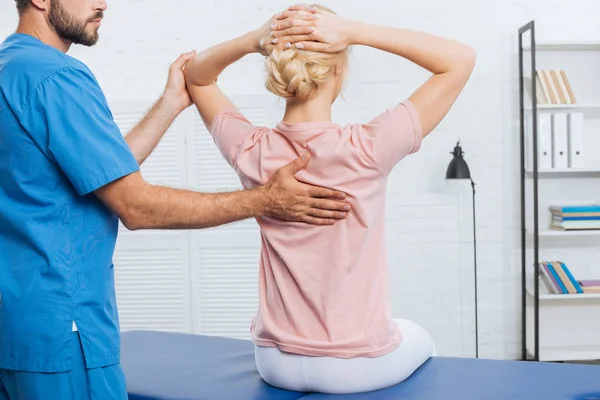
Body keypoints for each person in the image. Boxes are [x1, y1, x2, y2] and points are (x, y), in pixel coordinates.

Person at [0, 1, 351, 399]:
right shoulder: (57, 78)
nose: (102, 3)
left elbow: (100, 174)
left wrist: (170, 103)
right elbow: (136, 206)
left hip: (16, 323)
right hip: (63, 328)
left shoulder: (11, 69)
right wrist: (266, 200)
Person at [183, 3, 476, 395]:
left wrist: (253, 41)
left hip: (274, 361)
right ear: (338, 69)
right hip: (352, 367)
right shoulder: (367, 147)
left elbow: (197, 78)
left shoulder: (252, 149)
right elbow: (460, 60)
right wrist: (354, 30)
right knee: (419, 336)